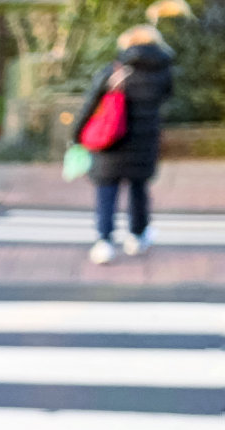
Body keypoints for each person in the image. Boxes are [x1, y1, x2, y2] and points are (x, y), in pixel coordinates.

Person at [71, 25, 173, 265]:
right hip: (144, 141)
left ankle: (104, 241)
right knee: (139, 190)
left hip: (111, 140)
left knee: (107, 191)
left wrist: (76, 134)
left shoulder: (115, 71)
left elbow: (90, 103)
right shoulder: (164, 73)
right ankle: (137, 237)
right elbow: (166, 98)